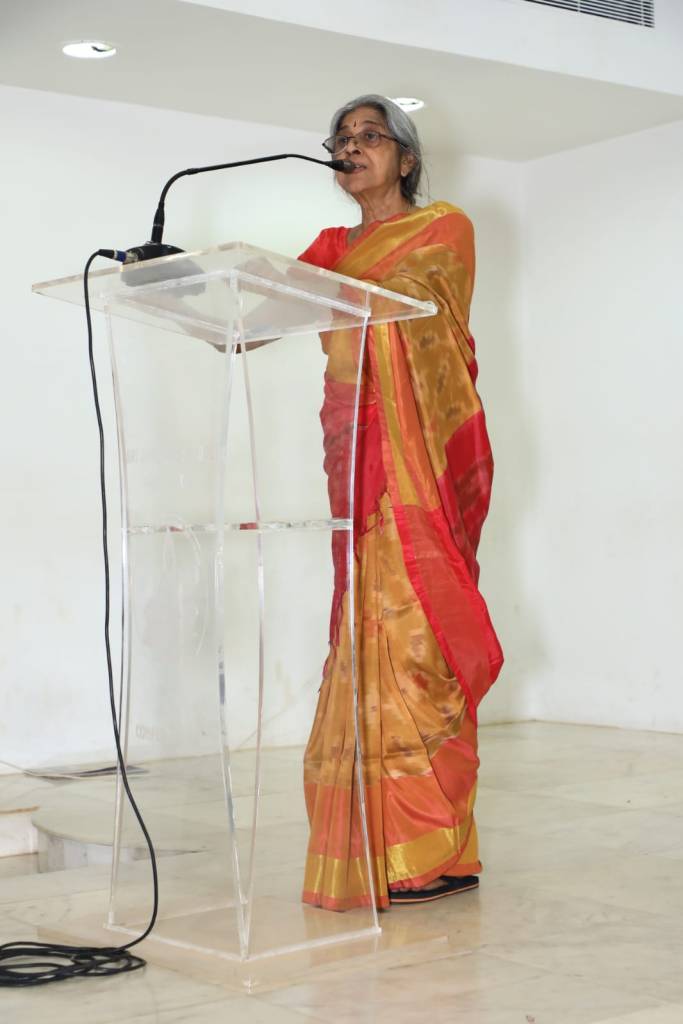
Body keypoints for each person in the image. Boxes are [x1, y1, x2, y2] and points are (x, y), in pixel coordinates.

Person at [298, 95, 503, 910]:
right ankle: (384, 848)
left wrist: (349, 297)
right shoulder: (327, 249)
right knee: (365, 635)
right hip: (354, 450)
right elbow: (272, 308)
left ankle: (437, 851)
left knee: (419, 640)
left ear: (406, 159)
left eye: (370, 136)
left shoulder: (443, 226)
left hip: (417, 458)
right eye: (341, 139)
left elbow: (419, 309)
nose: (351, 148)